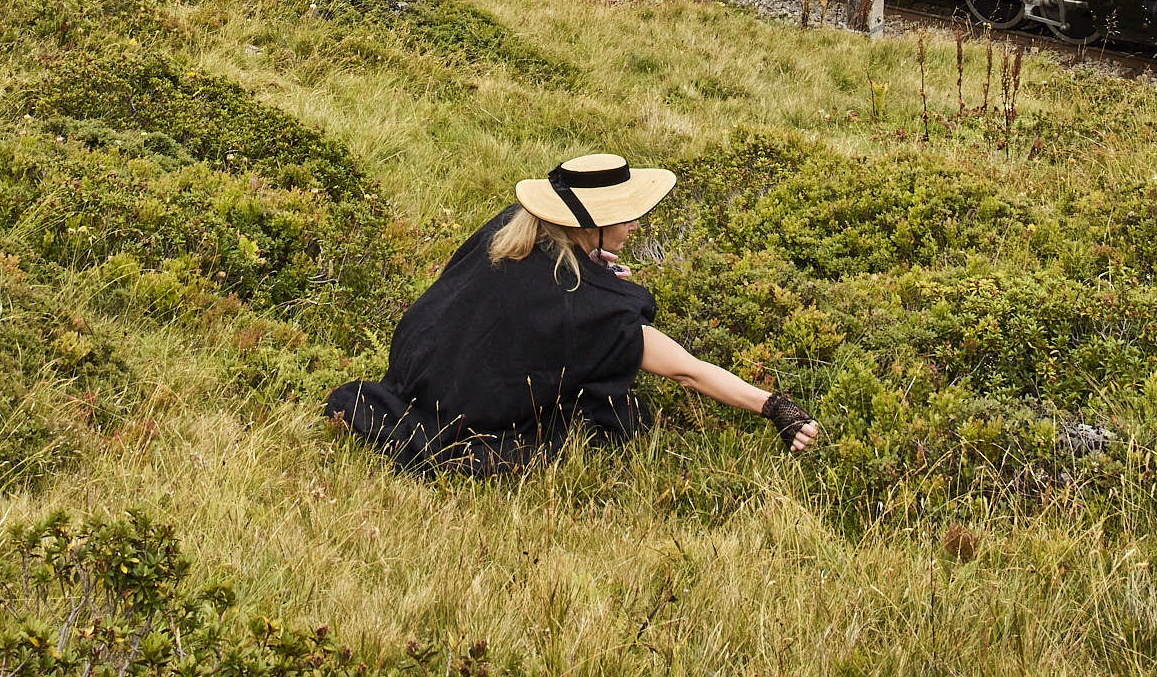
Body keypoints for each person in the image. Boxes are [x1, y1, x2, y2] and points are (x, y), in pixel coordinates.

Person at [327, 153, 820, 474]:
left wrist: (588, 262)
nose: (632, 226)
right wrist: (774, 407)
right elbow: (685, 371)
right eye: (624, 217)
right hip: (466, 411)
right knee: (614, 414)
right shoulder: (586, 306)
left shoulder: (509, 231)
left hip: (417, 374)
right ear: (592, 225)